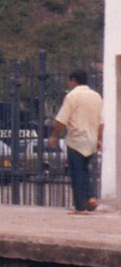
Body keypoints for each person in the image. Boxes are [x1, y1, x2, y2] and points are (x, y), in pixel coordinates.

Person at [48, 69, 104, 214]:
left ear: (73, 80)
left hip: (76, 140)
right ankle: (90, 197)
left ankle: (81, 206)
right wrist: (99, 138)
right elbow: (101, 121)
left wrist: (54, 135)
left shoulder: (72, 96)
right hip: (91, 139)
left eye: (70, 81)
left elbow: (62, 119)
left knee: (76, 172)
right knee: (85, 170)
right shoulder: (96, 96)